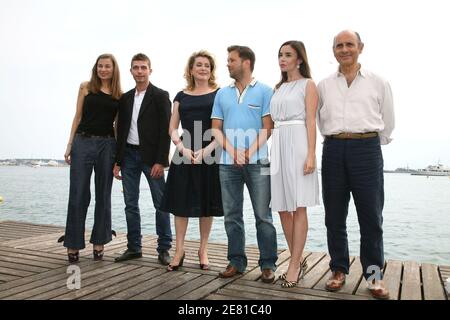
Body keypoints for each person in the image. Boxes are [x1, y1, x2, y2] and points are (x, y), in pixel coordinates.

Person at [317, 30, 395, 299]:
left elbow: (388, 119)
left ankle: (374, 277)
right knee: (334, 216)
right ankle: (338, 270)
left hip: (367, 149)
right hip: (334, 149)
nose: (344, 49)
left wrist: (370, 144)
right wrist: (335, 140)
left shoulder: (378, 82)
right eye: (339, 45)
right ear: (333, 50)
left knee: (371, 218)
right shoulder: (324, 85)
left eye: (349, 44)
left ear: (360, 47)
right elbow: (318, 119)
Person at [211, 45, 278, 283]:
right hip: (227, 163)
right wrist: (233, 152)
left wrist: (247, 152)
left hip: (259, 161)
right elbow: (215, 129)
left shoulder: (265, 91)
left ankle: (268, 264)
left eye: (231, 60)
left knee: (263, 215)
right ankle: (236, 262)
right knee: (232, 215)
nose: (227, 63)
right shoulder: (222, 93)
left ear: (246, 62)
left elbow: (267, 127)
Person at [161, 50, 223, 271]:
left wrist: (208, 150)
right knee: (181, 204)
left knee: (206, 204)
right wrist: (182, 148)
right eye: (199, 64)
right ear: (191, 69)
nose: (203, 68)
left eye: (207, 65)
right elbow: (172, 127)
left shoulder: (219, 94)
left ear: (211, 70)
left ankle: (203, 250)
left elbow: (223, 128)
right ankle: (179, 250)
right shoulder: (181, 96)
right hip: (183, 153)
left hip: (210, 153)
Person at [113, 53, 172, 265]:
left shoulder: (160, 95)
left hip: (151, 158)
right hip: (128, 156)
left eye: (143, 67)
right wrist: (117, 161)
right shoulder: (125, 98)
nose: (139, 71)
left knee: (161, 204)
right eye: (136, 67)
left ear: (150, 70)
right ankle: (134, 248)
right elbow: (120, 129)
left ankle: (164, 249)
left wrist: (160, 161)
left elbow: (166, 130)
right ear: (130, 71)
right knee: (130, 204)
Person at [62, 53, 122, 263]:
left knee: (103, 195)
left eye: (107, 66)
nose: (103, 69)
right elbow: (77, 116)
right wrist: (70, 144)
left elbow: (117, 127)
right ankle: (73, 242)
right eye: (100, 66)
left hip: (107, 145)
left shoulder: (119, 95)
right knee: (78, 193)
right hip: (83, 142)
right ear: (96, 68)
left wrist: (118, 158)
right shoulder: (86, 87)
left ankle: (99, 241)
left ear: (114, 70)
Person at [270, 41, 320, 288]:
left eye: (288, 55)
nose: (282, 59)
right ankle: (297, 259)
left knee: (299, 207)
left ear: (299, 59)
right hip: (278, 144)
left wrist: (311, 154)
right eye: (280, 55)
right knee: (281, 206)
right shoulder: (277, 88)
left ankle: (293, 264)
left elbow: (311, 121)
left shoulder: (308, 85)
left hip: (299, 144)